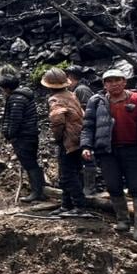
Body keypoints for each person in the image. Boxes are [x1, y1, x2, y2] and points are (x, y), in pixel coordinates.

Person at [80, 69, 137, 241]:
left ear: (125, 82)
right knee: (113, 186)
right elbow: (88, 126)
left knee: (136, 188)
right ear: (105, 85)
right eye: (110, 81)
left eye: (117, 80)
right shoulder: (96, 102)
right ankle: (123, 220)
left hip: (133, 150)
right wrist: (86, 146)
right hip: (107, 151)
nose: (114, 84)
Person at [42, 68, 86, 214]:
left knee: (67, 174)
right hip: (79, 138)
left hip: (68, 140)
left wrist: (58, 137)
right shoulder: (71, 95)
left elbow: (57, 121)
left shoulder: (55, 99)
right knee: (73, 171)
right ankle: (66, 205)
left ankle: (79, 206)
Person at [0, 73, 45, 202]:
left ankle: (37, 192)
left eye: (3, 89)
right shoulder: (24, 96)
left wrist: (10, 135)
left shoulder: (16, 99)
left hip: (23, 136)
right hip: (30, 135)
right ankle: (40, 190)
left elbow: (15, 120)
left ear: (7, 88)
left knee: (29, 164)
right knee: (32, 162)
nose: (2, 92)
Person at [66, 66, 96, 196]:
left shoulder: (81, 89)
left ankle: (89, 188)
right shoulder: (76, 89)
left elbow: (88, 109)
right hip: (79, 128)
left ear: (71, 77)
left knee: (88, 158)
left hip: (85, 128)